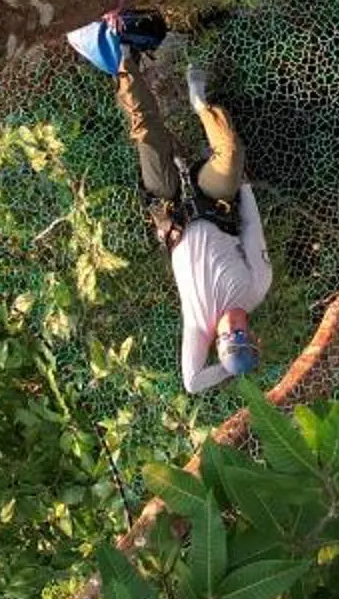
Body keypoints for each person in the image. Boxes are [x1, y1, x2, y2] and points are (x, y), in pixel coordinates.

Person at [115, 56, 270, 396]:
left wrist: (230, 368)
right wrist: (243, 186)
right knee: (231, 152)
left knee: (147, 135)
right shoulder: (257, 286)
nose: (232, 328)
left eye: (227, 338)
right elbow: (251, 227)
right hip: (213, 202)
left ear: (216, 342)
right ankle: (200, 103)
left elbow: (192, 382)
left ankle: (124, 57)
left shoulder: (200, 328)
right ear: (253, 334)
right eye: (241, 334)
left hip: (172, 213)